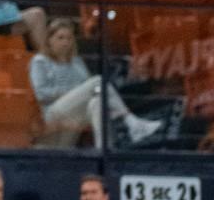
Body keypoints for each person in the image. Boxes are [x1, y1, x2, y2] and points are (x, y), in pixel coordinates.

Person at [30, 18, 161, 149]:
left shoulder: (76, 62)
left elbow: (88, 87)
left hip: (75, 111)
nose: (65, 42)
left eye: (69, 38)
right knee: (98, 80)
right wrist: (73, 92)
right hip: (52, 112)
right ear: (50, 40)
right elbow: (42, 94)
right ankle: (131, 121)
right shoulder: (40, 61)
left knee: (97, 103)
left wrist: (82, 92)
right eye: (60, 38)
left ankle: (104, 150)